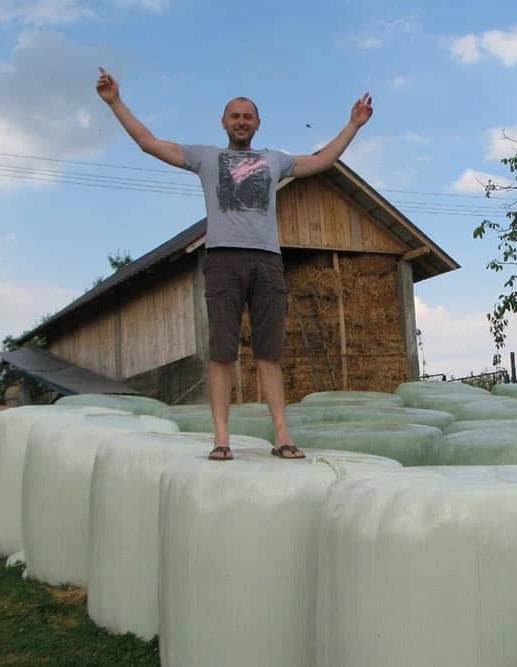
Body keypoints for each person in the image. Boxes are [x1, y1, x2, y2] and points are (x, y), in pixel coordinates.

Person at [95, 67, 373, 461]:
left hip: (268, 261)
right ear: (223, 122)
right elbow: (149, 143)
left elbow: (323, 160)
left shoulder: (275, 161)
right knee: (223, 351)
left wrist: (353, 125)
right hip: (224, 258)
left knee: (269, 353)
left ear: (258, 124)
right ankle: (222, 438)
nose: (241, 121)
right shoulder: (205, 158)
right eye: (234, 115)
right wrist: (115, 102)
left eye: (248, 116)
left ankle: (282, 436)